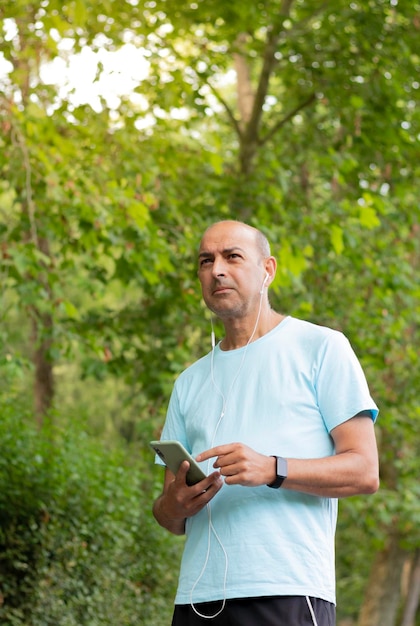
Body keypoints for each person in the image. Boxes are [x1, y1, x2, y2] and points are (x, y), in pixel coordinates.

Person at [152, 220, 379, 626]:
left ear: (268, 269)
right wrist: (174, 505)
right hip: (197, 599)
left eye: (232, 257)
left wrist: (273, 468)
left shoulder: (321, 347)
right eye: (206, 261)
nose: (217, 269)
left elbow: (364, 471)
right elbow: (169, 516)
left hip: (288, 591)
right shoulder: (187, 383)